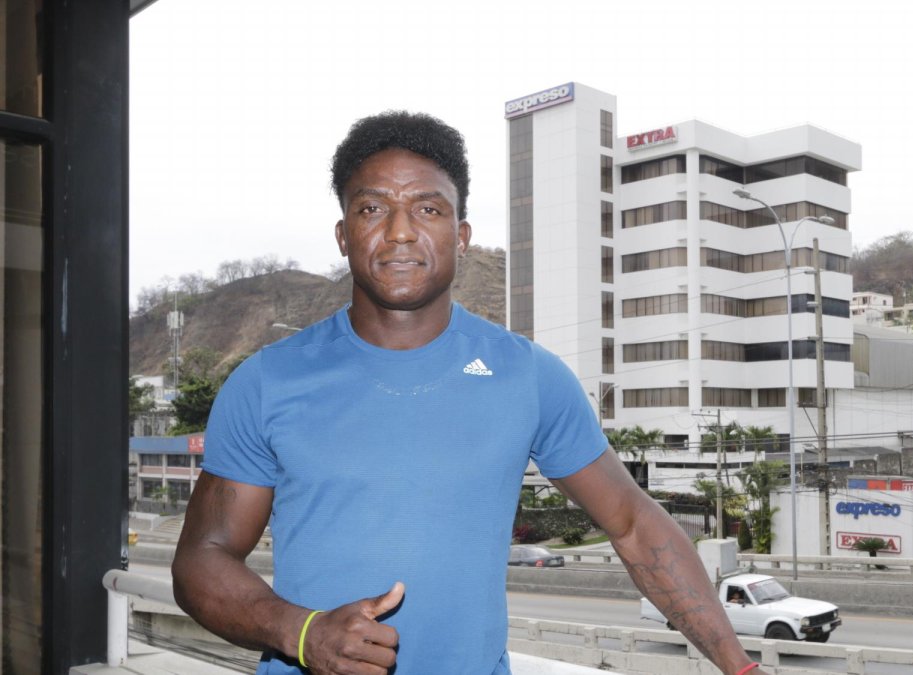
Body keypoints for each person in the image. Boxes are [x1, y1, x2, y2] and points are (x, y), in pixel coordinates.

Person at [172, 110, 764, 675]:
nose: (400, 231)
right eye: (372, 208)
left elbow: (634, 524)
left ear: (461, 236)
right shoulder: (267, 381)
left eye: (427, 208)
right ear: (344, 234)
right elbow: (202, 558)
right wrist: (302, 633)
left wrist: (737, 665)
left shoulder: (529, 375)